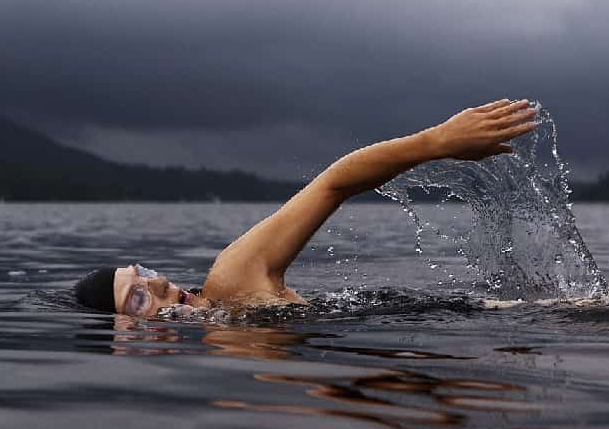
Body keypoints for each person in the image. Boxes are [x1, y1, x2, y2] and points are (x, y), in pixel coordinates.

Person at [74, 99, 539, 316]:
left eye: (143, 272)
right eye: (137, 296)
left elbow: (333, 184)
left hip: (499, 316)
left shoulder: (231, 282)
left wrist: (436, 142)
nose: (157, 281)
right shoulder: (227, 352)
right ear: (126, 339)